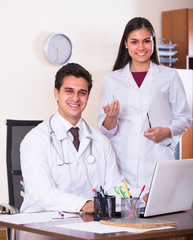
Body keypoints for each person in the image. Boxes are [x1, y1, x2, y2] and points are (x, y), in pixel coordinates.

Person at [18, 63, 125, 240]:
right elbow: (41, 192)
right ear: (56, 94)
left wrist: (140, 196)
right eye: (69, 91)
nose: (75, 98)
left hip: (87, 223)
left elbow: (115, 185)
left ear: (87, 97)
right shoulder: (35, 139)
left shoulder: (99, 141)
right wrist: (84, 204)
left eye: (81, 93)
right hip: (41, 225)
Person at [98, 17, 192, 194]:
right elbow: (105, 131)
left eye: (146, 41)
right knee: (125, 216)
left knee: (160, 216)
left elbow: (185, 117)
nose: (141, 47)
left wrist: (166, 131)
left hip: (158, 159)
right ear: (126, 44)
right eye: (134, 42)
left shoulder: (169, 76)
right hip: (122, 164)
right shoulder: (112, 80)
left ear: (153, 43)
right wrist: (111, 117)